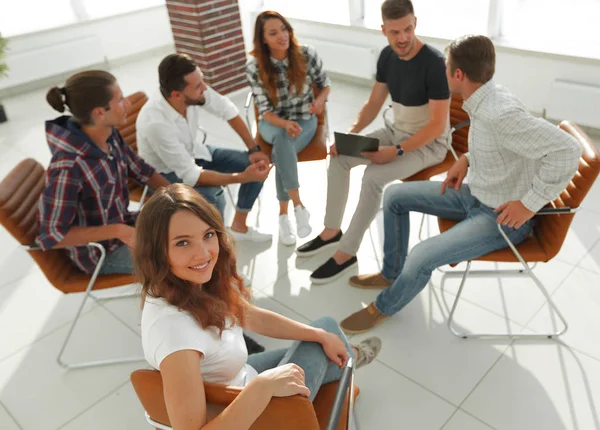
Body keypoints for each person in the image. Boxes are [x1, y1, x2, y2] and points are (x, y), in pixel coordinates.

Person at [338, 34, 583, 334]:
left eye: (446, 67)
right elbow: (501, 144)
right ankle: (391, 273)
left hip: (501, 217)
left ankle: (384, 307)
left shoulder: (501, 111)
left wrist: (529, 204)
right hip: (476, 193)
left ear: (458, 75)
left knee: (421, 256)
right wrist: (466, 159)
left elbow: (568, 150)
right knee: (394, 196)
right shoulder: (485, 97)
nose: (442, 73)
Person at [136, 184, 381, 429]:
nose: (203, 254)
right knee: (328, 331)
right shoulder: (174, 333)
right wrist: (263, 389)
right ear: (157, 252)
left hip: (236, 381)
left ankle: (346, 357)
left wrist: (317, 335)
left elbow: (248, 315)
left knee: (323, 334)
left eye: (208, 235)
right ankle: (349, 359)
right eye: (182, 243)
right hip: (252, 415)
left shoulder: (184, 284)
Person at [298, 0, 451, 284]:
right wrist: (352, 134)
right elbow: (373, 103)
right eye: (395, 32)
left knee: (372, 177)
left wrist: (398, 151)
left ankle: (346, 253)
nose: (403, 38)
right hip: (396, 132)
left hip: (428, 144)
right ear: (384, 31)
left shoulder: (434, 62)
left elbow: (437, 125)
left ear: (415, 23)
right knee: (340, 158)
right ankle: (332, 232)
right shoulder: (387, 57)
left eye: (407, 29)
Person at [36, 70, 171, 276]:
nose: (127, 104)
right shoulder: (68, 166)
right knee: (182, 260)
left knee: (189, 230)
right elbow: (52, 235)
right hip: (100, 253)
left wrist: (177, 196)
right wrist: (116, 231)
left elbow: (141, 170)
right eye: (120, 100)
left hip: (125, 223)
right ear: (99, 112)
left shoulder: (109, 136)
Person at [136, 53, 272, 243]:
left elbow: (227, 109)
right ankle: (217, 247)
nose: (205, 88)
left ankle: (239, 227)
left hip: (193, 152)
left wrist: (253, 149)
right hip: (165, 175)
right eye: (198, 86)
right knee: (215, 197)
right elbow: (190, 175)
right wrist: (243, 177)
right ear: (176, 95)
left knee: (257, 164)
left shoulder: (191, 92)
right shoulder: (156, 123)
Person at [246, 11, 331, 246]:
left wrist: (320, 100)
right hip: (272, 124)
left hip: (305, 120)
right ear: (263, 39)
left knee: (280, 150)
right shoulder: (254, 67)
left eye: (284, 29)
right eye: (273, 33)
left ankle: (284, 216)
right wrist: (284, 124)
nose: (282, 36)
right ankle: (299, 206)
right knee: (283, 137)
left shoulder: (307, 53)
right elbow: (264, 111)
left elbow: (325, 84)